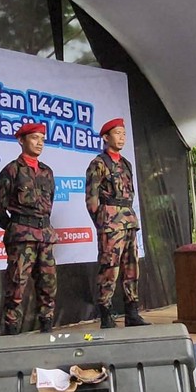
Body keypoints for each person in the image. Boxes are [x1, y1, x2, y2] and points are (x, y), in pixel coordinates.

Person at [0, 122, 58, 335]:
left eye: (42, 139)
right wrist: (16, 228)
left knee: (48, 286)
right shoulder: (11, 170)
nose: (40, 143)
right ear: (22, 140)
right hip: (22, 238)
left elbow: (49, 205)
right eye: (34, 138)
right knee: (16, 287)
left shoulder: (47, 172)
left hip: (45, 237)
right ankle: (12, 334)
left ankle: (47, 328)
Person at [85, 118, 149, 328]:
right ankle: (106, 314)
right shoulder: (99, 163)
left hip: (129, 219)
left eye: (123, 133)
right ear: (105, 137)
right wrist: (103, 222)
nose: (122, 137)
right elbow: (91, 198)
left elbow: (130, 193)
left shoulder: (125, 163)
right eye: (117, 133)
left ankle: (132, 313)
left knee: (132, 268)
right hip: (111, 221)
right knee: (109, 269)